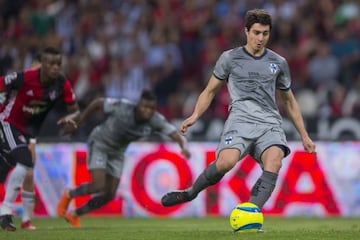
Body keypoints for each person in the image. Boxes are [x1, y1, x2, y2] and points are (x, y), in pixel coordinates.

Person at [161, 8, 316, 216]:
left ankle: (250, 213)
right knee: (226, 162)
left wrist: (304, 135)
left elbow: (289, 100)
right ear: (246, 31)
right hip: (240, 120)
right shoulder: (229, 58)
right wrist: (194, 116)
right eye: (256, 33)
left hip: (269, 123)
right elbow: (210, 91)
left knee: (275, 161)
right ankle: (190, 193)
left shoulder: (278, 63)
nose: (261, 38)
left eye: (265, 33)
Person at [56, 89, 191, 228]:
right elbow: (98, 103)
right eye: (145, 107)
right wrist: (80, 122)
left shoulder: (154, 119)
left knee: (109, 195)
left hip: (117, 153)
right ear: (138, 105)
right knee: (98, 185)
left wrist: (183, 147)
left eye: (151, 108)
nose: (148, 111)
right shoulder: (123, 107)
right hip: (100, 143)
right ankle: (69, 194)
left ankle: (75, 214)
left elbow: (173, 133)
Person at [0, 47, 80, 231]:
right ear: (40, 66)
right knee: (25, 162)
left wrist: (72, 119)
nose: (55, 68)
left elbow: (74, 109)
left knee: (15, 167)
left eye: (58, 64)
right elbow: (2, 84)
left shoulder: (61, 84)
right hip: (8, 122)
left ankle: (23, 218)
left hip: (28, 131)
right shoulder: (23, 78)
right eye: (51, 64)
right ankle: (6, 212)